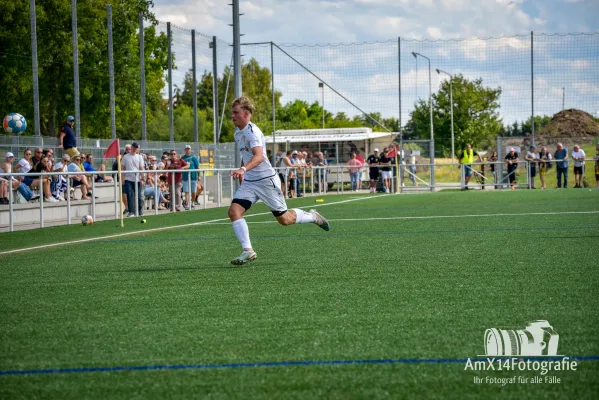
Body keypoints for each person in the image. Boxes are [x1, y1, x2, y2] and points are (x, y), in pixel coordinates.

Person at [227, 96, 329, 265]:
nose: (232, 116)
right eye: (232, 112)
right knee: (234, 212)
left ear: (246, 114)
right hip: (251, 182)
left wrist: (243, 169)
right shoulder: (238, 132)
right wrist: (243, 170)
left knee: (285, 220)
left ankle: (313, 216)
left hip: (267, 181)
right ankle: (248, 251)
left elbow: (259, 157)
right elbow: (247, 155)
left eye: (236, 112)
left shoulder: (253, 132)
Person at [121, 142, 145, 216]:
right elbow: (123, 168)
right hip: (128, 179)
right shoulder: (125, 157)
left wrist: (142, 179)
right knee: (130, 196)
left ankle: (140, 211)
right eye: (134, 147)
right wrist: (122, 178)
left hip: (137, 179)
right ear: (131, 147)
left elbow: (141, 168)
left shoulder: (139, 157)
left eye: (136, 147)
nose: (135, 149)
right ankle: (131, 212)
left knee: (139, 197)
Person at [181, 145, 200, 209]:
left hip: (193, 176)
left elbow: (197, 167)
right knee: (186, 191)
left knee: (193, 192)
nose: (187, 150)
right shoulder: (182, 158)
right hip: (185, 177)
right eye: (186, 149)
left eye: (188, 149)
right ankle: (188, 204)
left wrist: (199, 175)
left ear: (190, 150)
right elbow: (180, 167)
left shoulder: (194, 157)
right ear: (185, 150)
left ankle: (192, 202)